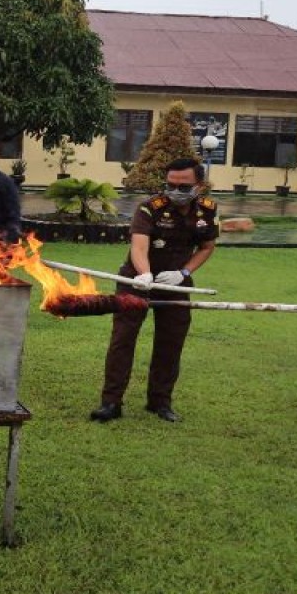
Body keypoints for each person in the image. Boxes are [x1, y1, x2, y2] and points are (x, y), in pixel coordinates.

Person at [91, 158, 218, 423]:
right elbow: (139, 246)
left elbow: (206, 247)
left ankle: (160, 402)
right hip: (137, 280)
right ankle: (111, 402)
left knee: (170, 342)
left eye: (183, 187)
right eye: (170, 185)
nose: (175, 191)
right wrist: (144, 273)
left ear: (200, 185)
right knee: (123, 340)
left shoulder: (207, 210)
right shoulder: (149, 207)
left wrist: (184, 273)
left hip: (175, 282)